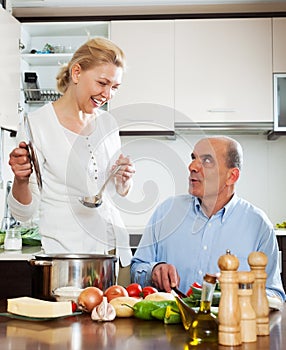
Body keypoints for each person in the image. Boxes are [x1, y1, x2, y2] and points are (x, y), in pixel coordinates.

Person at [8, 37, 135, 285]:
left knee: (114, 323)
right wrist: (21, 179)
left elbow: (116, 193)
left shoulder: (108, 124)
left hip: (114, 253)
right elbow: (24, 213)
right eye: (102, 83)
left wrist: (123, 179)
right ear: (77, 72)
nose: (108, 95)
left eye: (115, 87)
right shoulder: (36, 125)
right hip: (66, 260)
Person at [131, 136, 286, 302]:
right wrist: (153, 271)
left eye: (207, 160)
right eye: (193, 158)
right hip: (169, 323)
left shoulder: (259, 225)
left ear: (231, 176)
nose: (192, 167)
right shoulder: (166, 212)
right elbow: (136, 269)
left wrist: (239, 292)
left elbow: (275, 294)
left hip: (230, 325)